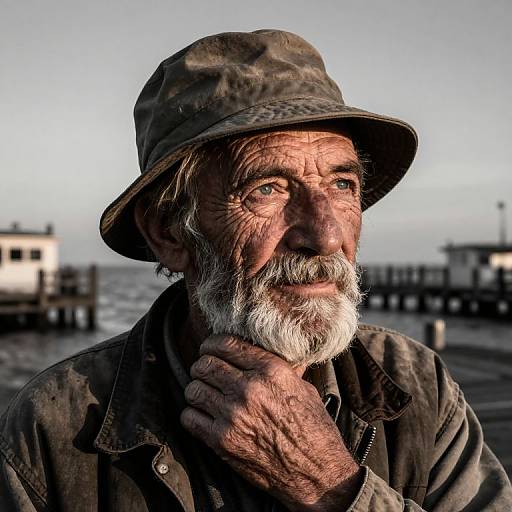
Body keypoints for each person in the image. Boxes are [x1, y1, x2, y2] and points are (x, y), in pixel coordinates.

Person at [0, 29, 510, 511]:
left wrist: (331, 485)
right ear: (169, 232)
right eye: (268, 188)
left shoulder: (417, 385)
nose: (327, 235)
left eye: (342, 185)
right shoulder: (54, 426)